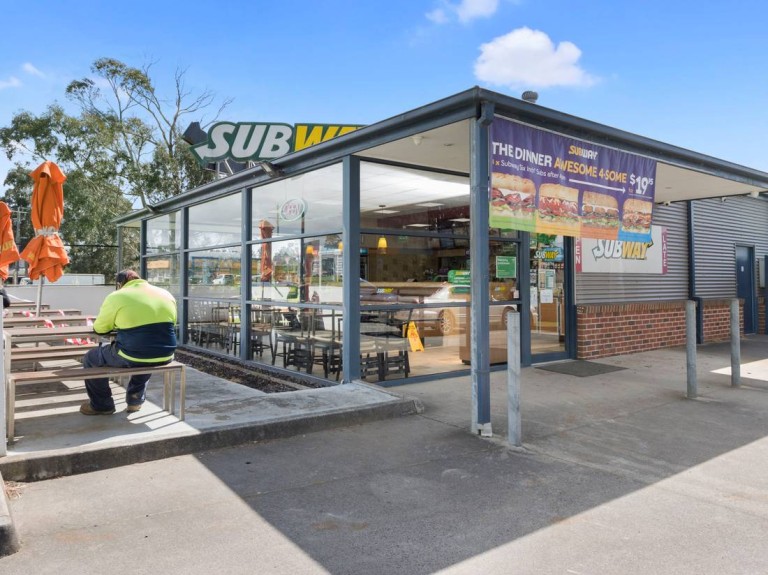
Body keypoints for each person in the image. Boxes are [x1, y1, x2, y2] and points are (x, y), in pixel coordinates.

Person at [80, 269, 177, 415]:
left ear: (120, 284)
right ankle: (135, 401)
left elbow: (100, 329)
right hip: (166, 353)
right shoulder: (166, 294)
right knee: (146, 353)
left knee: (91, 358)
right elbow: (171, 324)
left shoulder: (117, 296)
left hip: (132, 353)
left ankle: (102, 405)